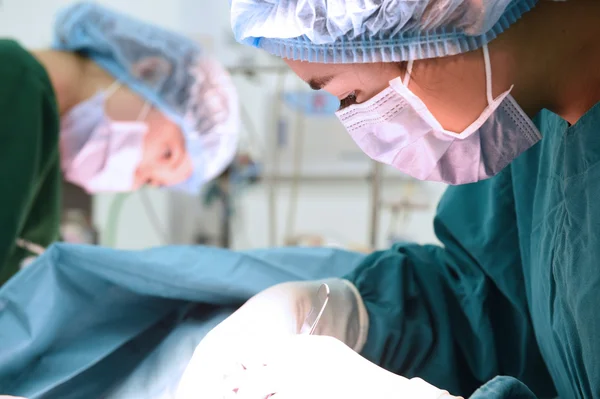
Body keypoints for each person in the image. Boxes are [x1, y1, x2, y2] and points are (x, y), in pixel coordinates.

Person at [176, 1, 600, 398]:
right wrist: (362, 319)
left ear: (445, 10)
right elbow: (492, 304)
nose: (367, 135)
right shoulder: (532, 140)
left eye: (349, 97)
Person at [0, 1, 239, 286]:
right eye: (166, 154)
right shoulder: (11, 81)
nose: (134, 180)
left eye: (150, 182)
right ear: (149, 71)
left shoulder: (40, 172)